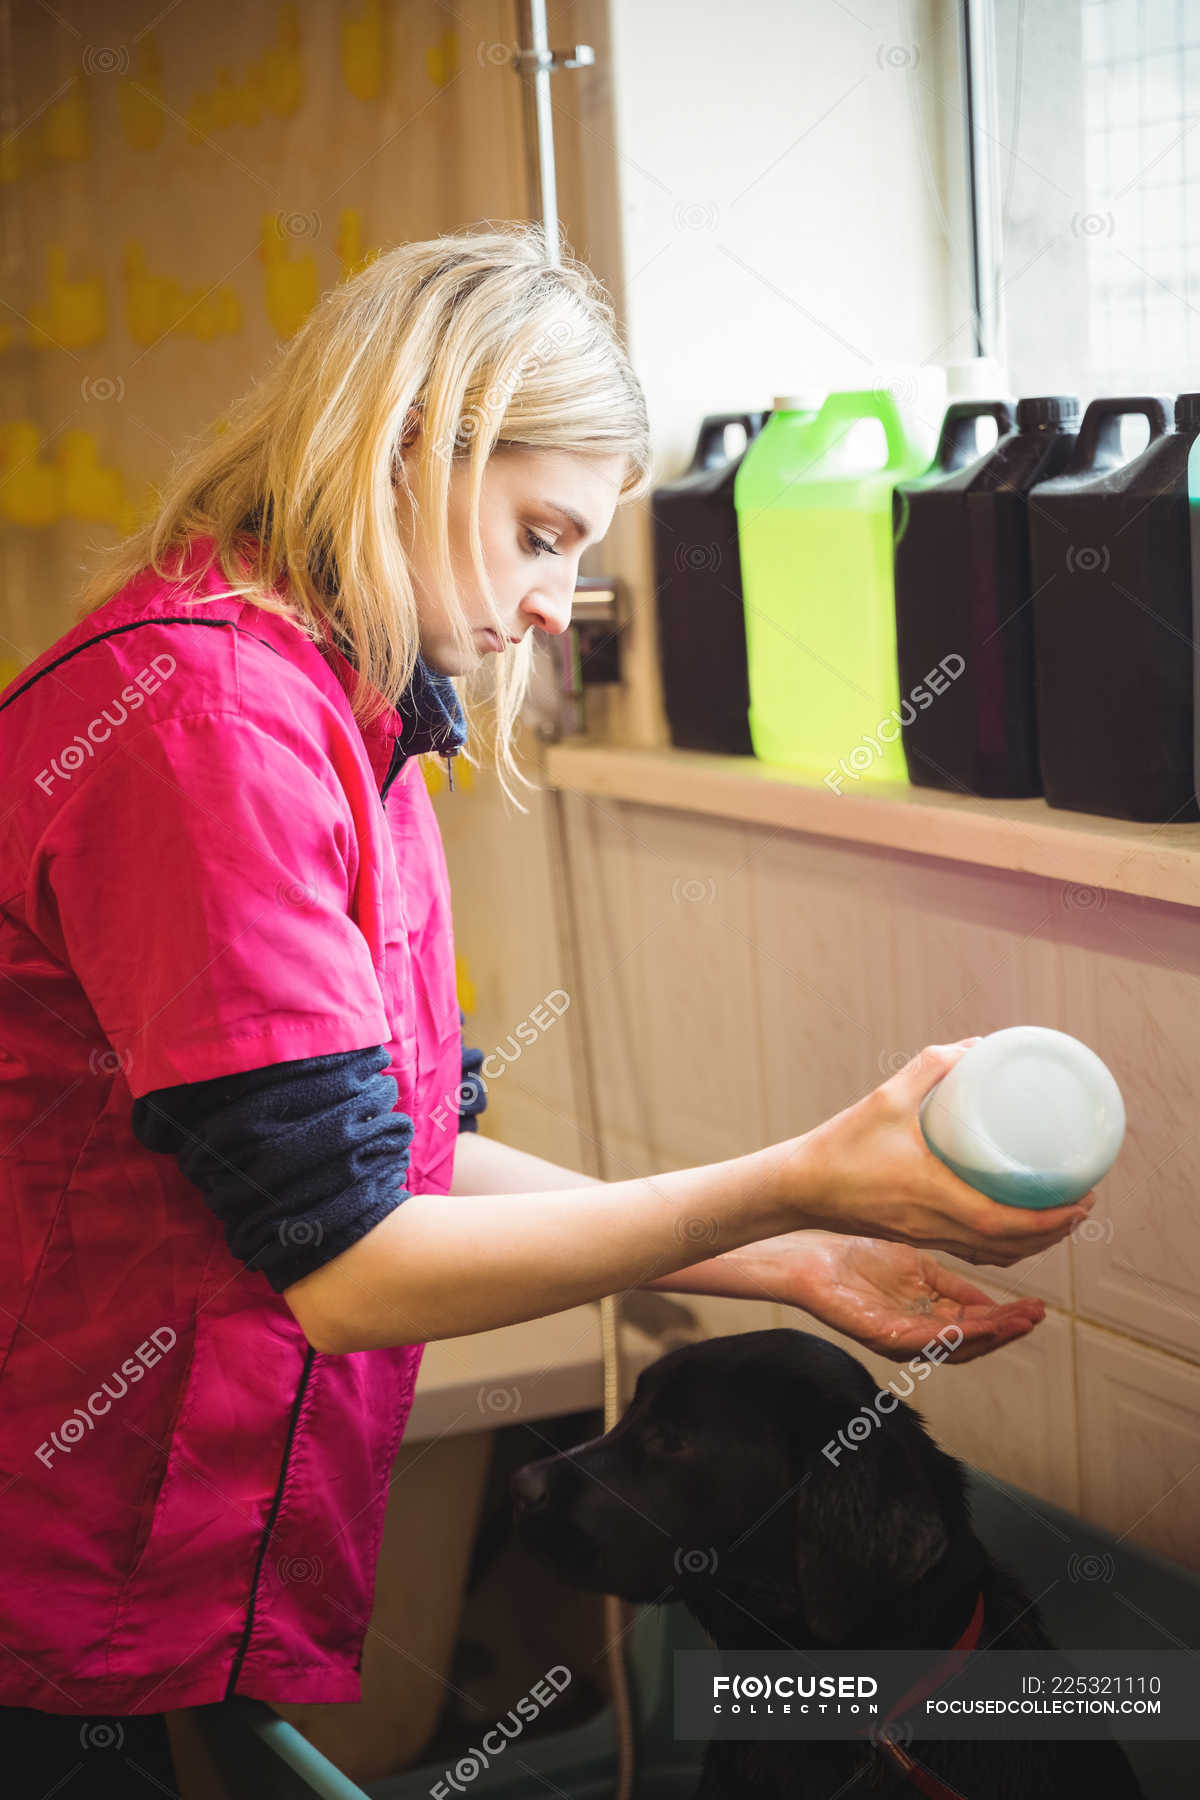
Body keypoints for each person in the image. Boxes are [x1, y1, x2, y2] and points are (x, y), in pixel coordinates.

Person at [0, 222, 1093, 1793]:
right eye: (536, 532)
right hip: (54, 1518)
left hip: (129, 1546)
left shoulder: (345, 722)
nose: (552, 603)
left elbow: (405, 1165)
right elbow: (355, 1268)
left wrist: (784, 1254)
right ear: (399, 444)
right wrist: (792, 1175)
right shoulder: (208, 726)